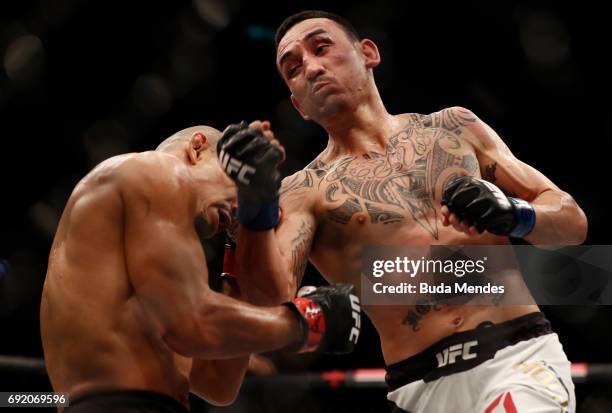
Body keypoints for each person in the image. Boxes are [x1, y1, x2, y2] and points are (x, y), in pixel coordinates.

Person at [217, 10, 588, 413]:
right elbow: (271, 299)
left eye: (321, 47)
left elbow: (572, 223)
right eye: (293, 68)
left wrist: (517, 214)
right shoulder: (303, 192)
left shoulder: (455, 128)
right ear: (298, 105)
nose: (311, 66)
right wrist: (255, 204)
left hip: (515, 359)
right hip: (417, 390)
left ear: (368, 53)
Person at [40, 124, 361, 413]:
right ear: (197, 149)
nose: (236, 209)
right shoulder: (153, 169)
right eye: (235, 182)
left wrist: (243, 239)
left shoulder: (139, 264)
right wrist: (308, 321)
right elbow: (192, 324)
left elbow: (217, 382)